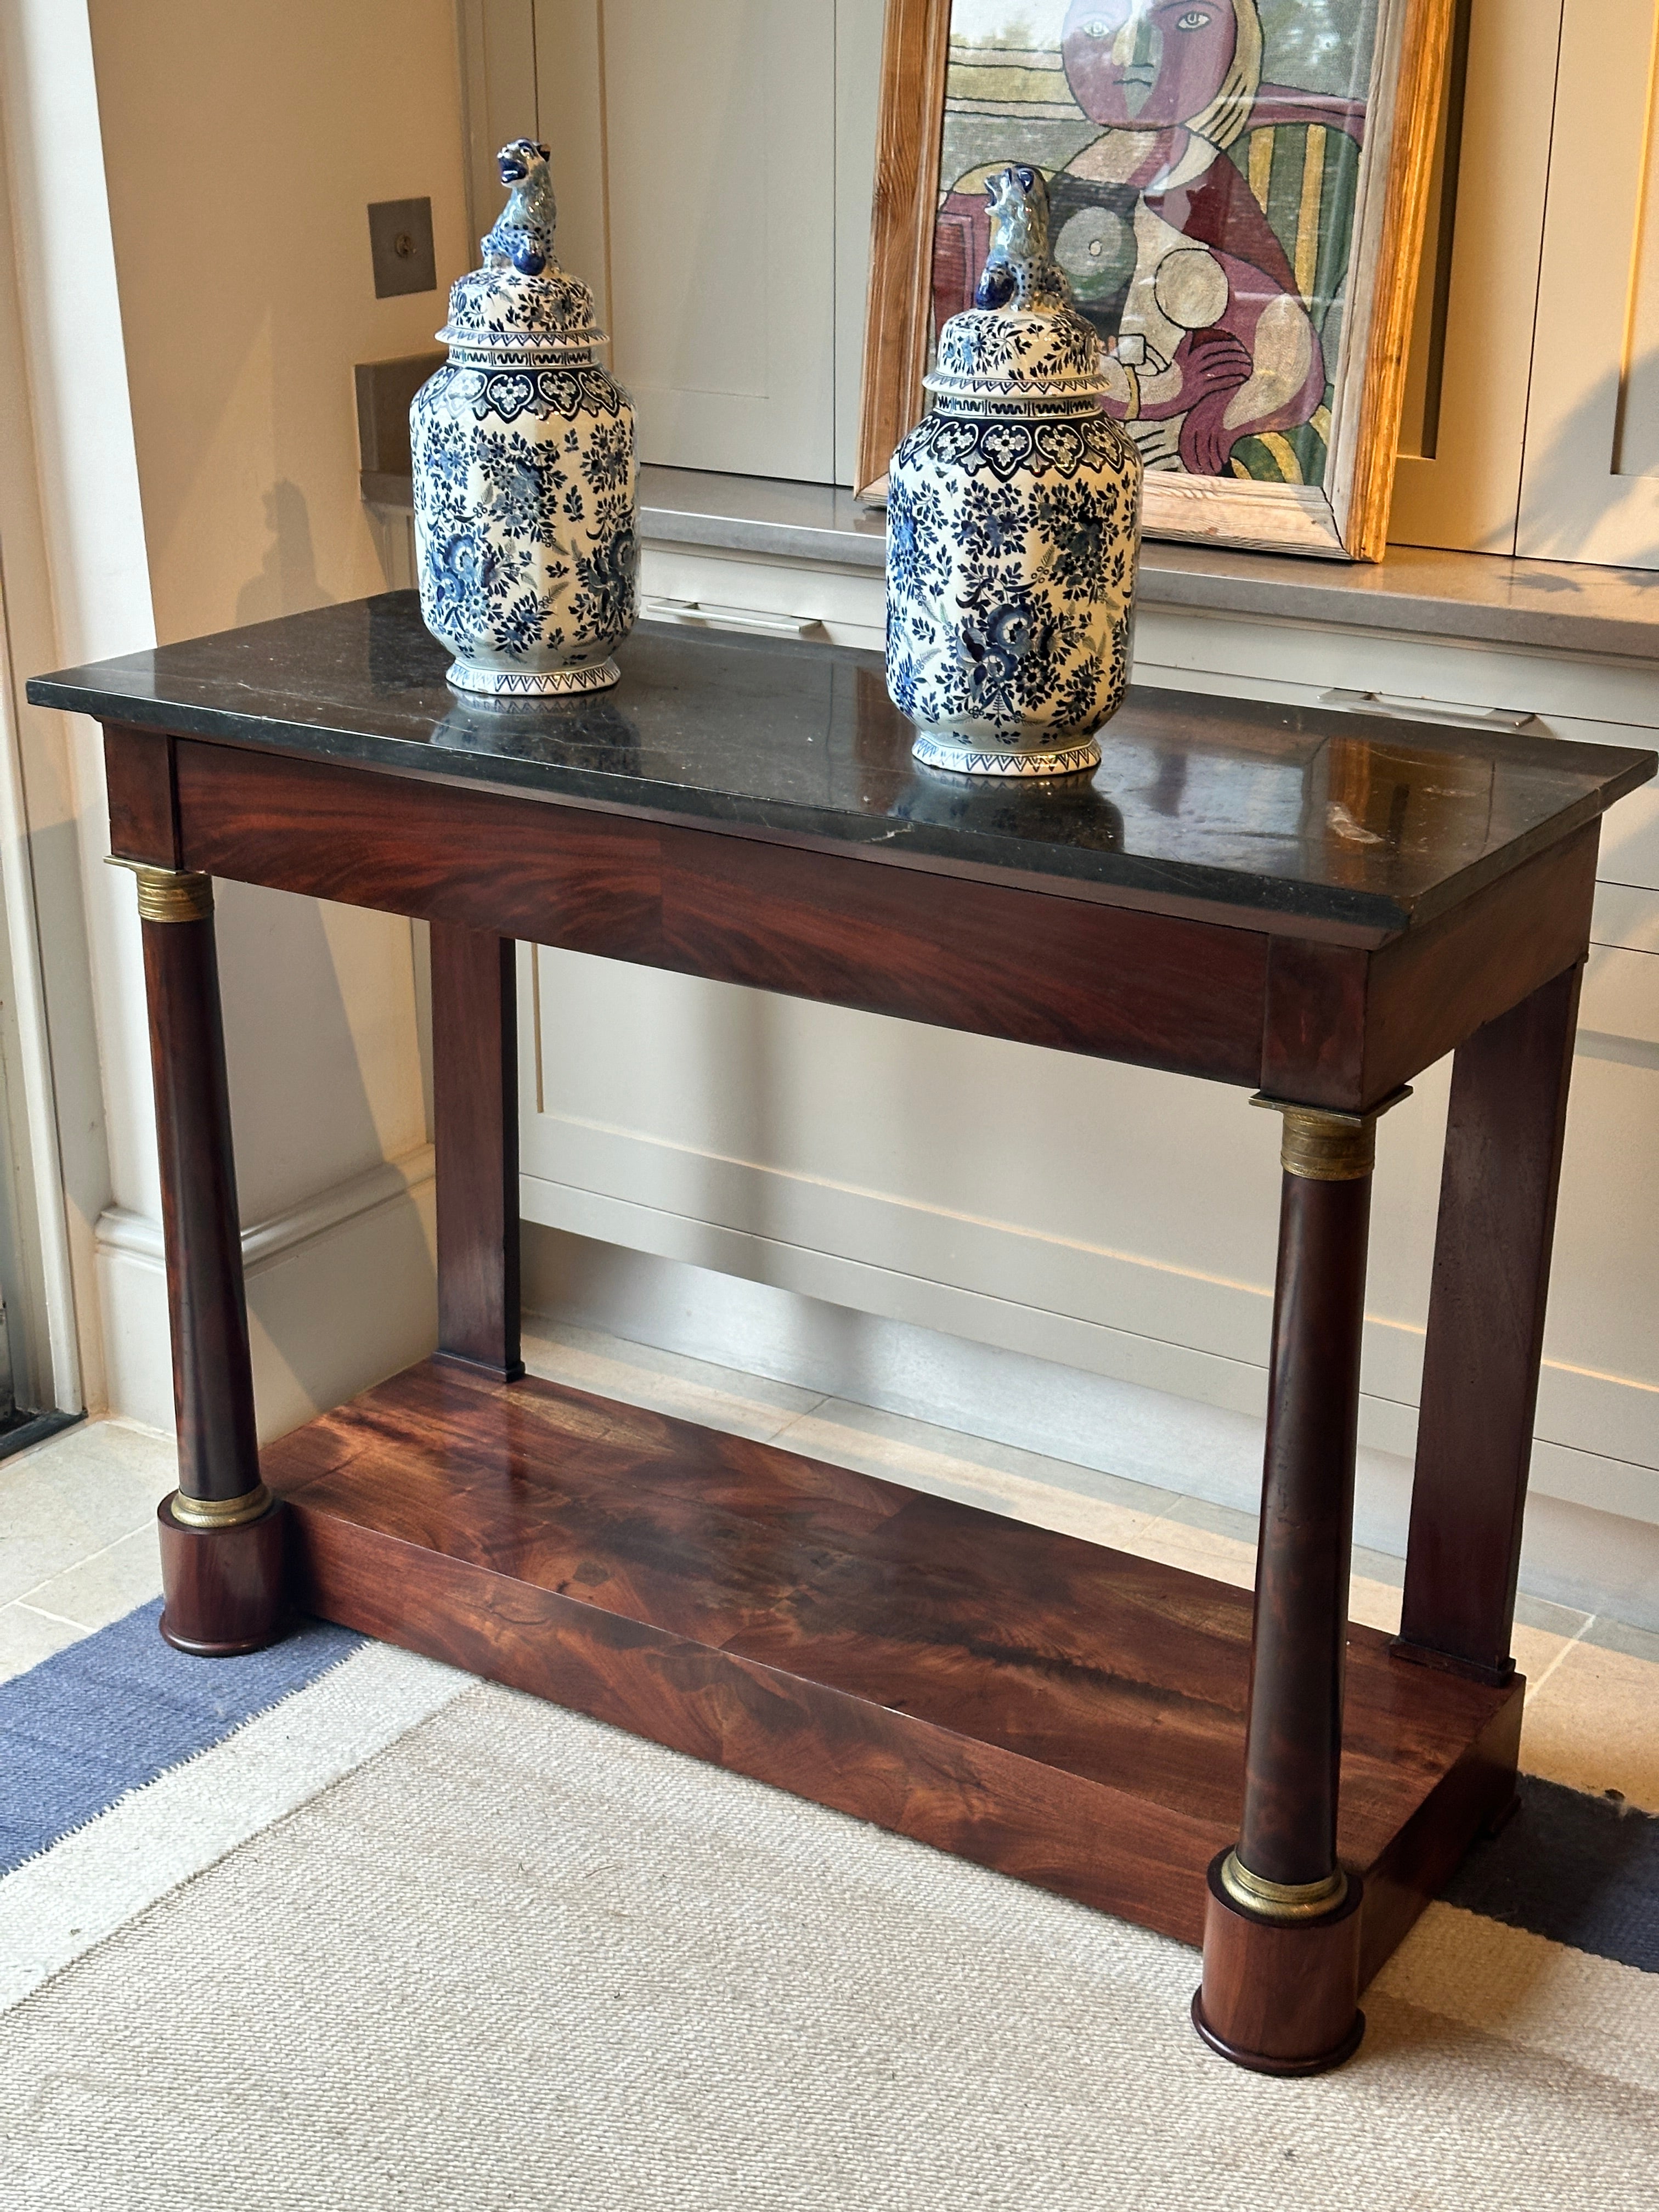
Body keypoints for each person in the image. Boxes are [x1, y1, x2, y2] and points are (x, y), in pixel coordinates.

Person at [932, 0, 1366, 479]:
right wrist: (1167, 390)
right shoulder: (1041, 195)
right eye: (1098, 26)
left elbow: (1285, 351)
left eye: (1189, 22)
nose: (1133, 56)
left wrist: (1226, 413)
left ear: (1238, 43)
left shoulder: (1210, 187)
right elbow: (1017, 357)